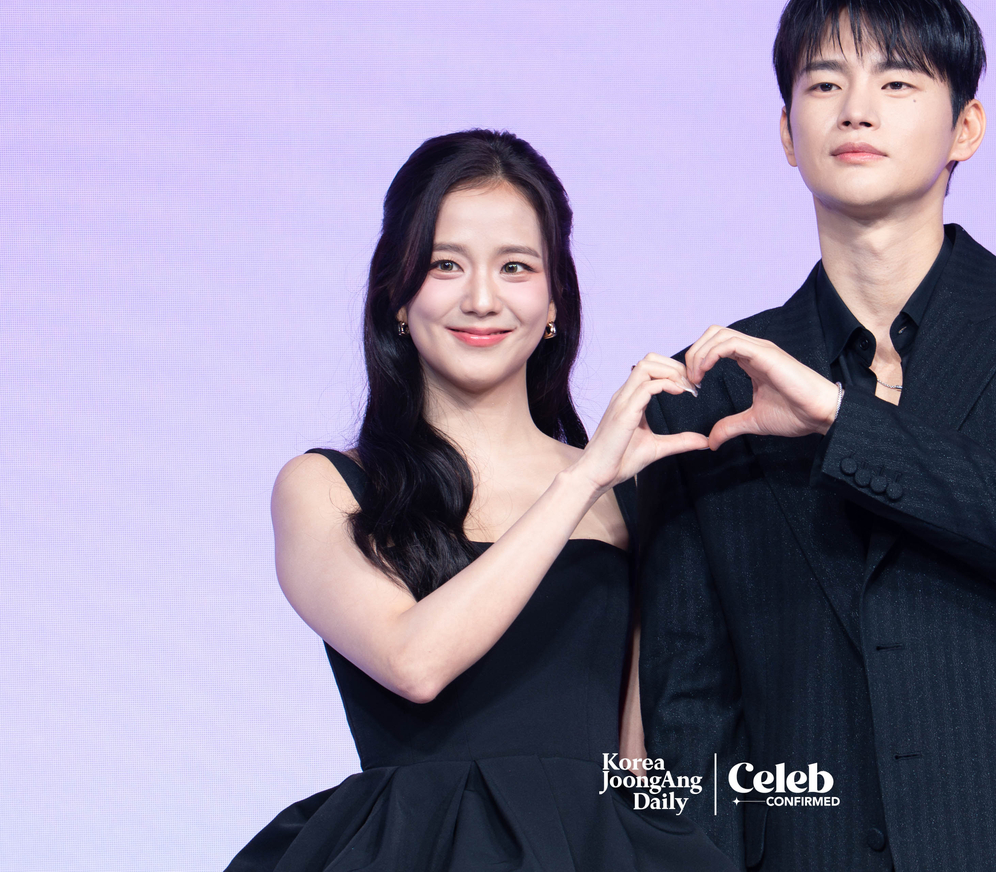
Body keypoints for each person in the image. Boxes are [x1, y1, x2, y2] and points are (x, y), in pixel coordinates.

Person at [637, 0, 996, 872]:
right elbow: (691, 705)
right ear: (786, 133)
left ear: (964, 127)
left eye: (897, 82)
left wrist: (839, 421)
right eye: (824, 83)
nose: (856, 109)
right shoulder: (714, 382)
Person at [226, 129, 735, 872]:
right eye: (445, 265)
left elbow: (632, 756)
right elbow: (413, 660)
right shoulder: (325, 487)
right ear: (397, 295)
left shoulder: (623, 492)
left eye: (516, 267)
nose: (482, 298)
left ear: (555, 297)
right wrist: (580, 479)